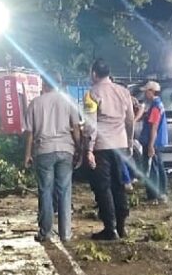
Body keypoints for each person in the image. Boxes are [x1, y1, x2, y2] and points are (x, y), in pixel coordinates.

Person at [24, 75, 80, 243]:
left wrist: (27, 154)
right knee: (64, 192)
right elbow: (76, 128)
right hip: (66, 149)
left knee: (45, 191)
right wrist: (79, 149)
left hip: (44, 151)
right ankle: (65, 233)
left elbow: (29, 133)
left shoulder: (35, 103)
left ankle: (46, 232)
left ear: (44, 83)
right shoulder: (69, 100)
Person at [84, 59, 135, 241]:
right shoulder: (124, 92)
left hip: (101, 147)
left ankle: (110, 228)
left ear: (94, 74)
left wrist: (89, 149)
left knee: (103, 188)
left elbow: (91, 125)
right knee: (119, 185)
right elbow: (130, 120)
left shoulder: (91, 94)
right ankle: (122, 227)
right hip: (120, 145)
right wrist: (129, 142)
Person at [139, 81, 169, 203]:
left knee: (152, 169)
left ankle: (154, 195)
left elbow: (154, 127)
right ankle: (162, 192)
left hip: (153, 142)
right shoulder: (156, 105)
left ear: (151, 91)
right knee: (159, 166)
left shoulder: (155, 107)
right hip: (156, 142)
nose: (145, 94)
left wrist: (151, 145)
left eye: (146, 91)